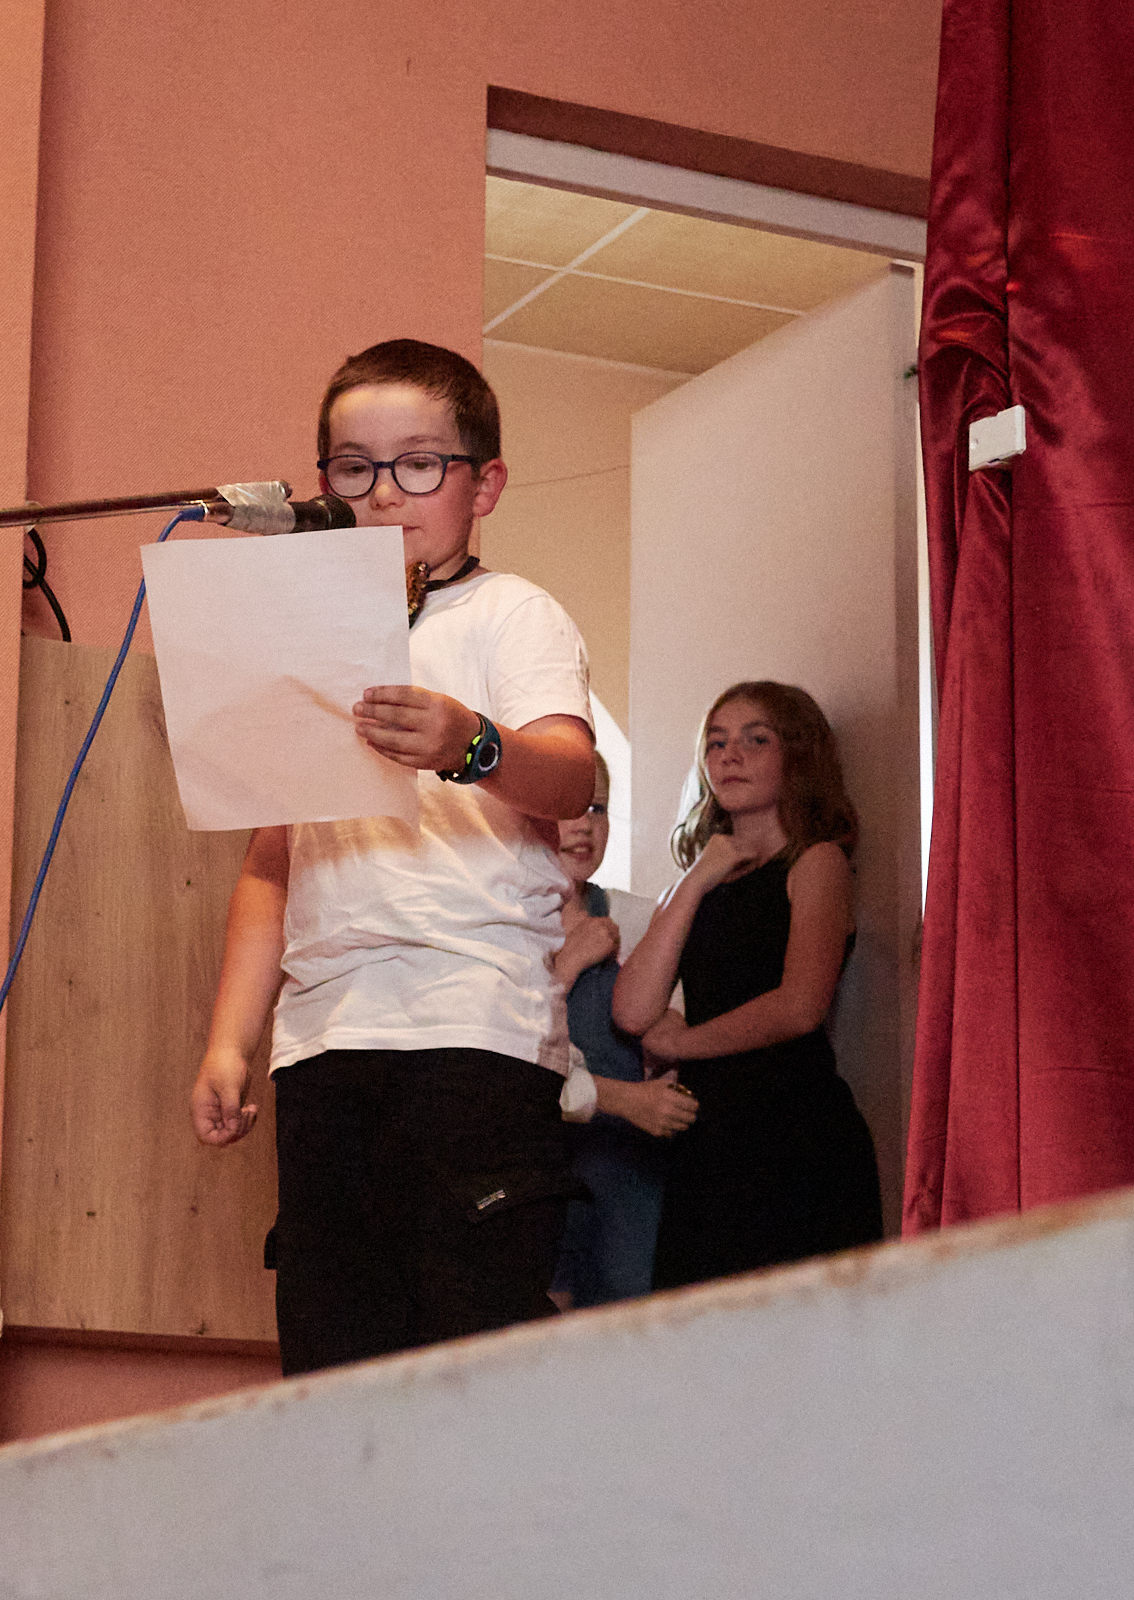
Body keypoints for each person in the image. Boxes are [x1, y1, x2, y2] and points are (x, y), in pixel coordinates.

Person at [188, 338, 598, 1375]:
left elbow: (571, 777)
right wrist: (232, 1041)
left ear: (483, 485)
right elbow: (272, 861)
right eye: (353, 467)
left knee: (465, 1354)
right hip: (324, 1041)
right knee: (334, 1354)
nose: (384, 492)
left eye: (418, 464)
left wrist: (473, 743)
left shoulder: (512, 613)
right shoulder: (309, 635)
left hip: (471, 1024)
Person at [611, 681, 882, 1289]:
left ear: (798, 756)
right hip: (706, 1138)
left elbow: (799, 1007)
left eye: (756, 740)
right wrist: (698, 877)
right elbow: (632, 1010)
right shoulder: (698, 881)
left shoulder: (817, 862)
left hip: (793, 1132)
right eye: (717, 743)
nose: (729, 755)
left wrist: (682, 1043)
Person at [549, 752, 694, 1309]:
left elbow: (671, 1029)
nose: (585, 825)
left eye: (598, 808)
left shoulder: (636, 918)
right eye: (568, 807)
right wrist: (569, 964)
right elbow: (513, 1056)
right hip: (542, 1167)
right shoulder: (504, 925)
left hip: (629, 1174)